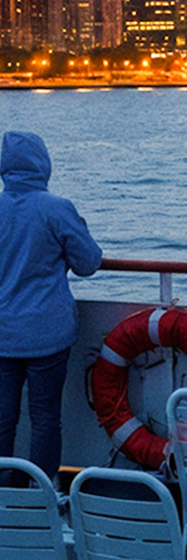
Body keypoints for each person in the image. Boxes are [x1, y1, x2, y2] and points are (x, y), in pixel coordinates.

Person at [0, 130, 102, 482]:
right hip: (47, 332)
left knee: (2, 420)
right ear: (42, 164)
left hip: (3, 335)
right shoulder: (56, 209)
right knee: (45, 418)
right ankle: (40, 496)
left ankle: (4, 496)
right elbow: (89, 262)